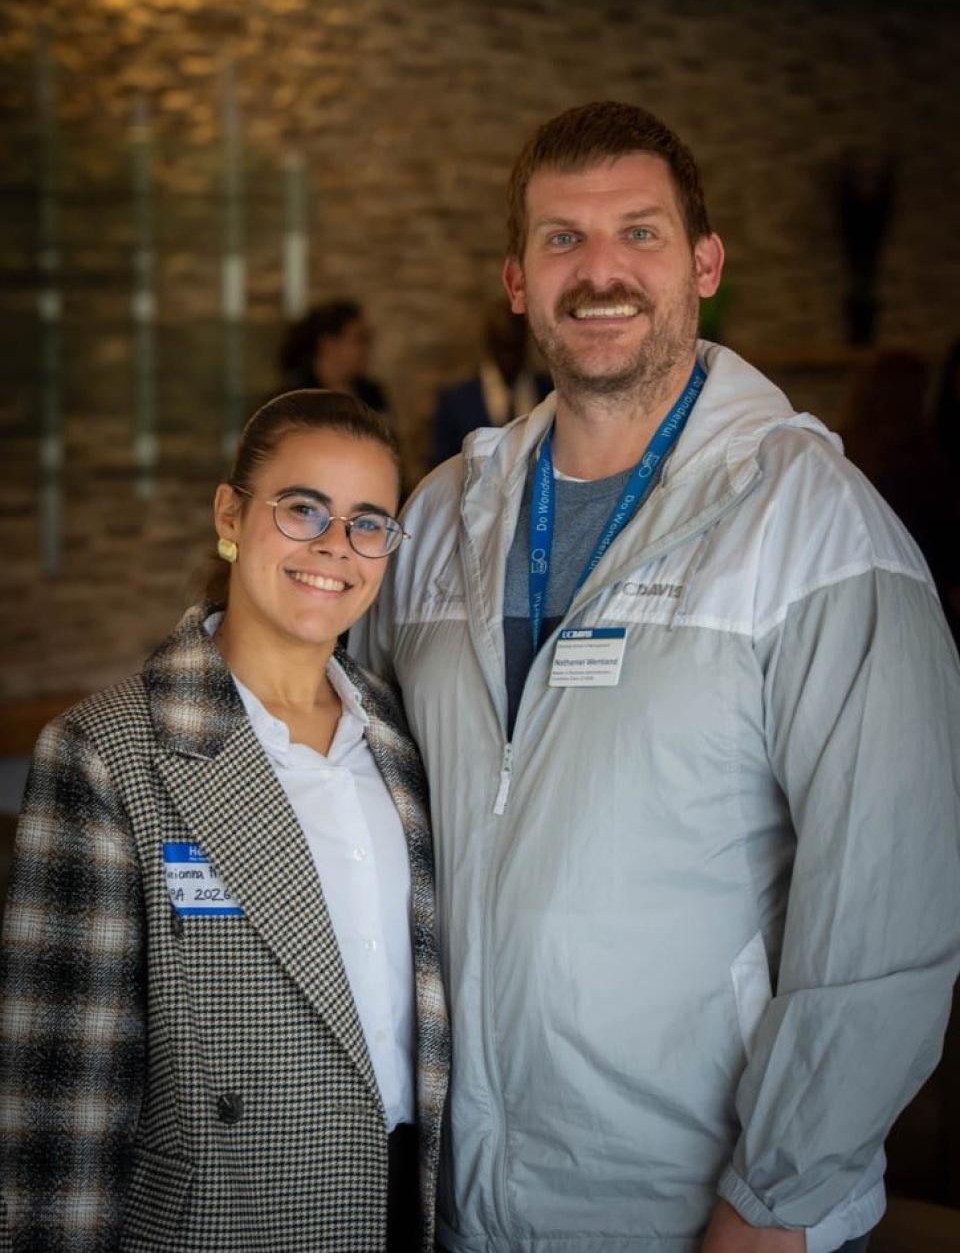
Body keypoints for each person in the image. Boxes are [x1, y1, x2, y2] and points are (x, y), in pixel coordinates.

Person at [354, 102, 960, 1253]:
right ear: (518, 281)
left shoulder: (821, 533)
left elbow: (891, 917)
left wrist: (773, 1204)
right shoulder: (440, 517)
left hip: (697, 1204)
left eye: (639, 233)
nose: (601, 272)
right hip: (454, 1191)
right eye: (562, 240)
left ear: (705, 265)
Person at [0, 390, 449, 1252]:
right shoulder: (105, 754)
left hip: (404, 1206)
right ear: (231, 514)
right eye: (303, 508)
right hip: (227, 1221)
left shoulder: (400, 740)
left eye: (368, 523)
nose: (334, 547)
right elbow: (60, 1108)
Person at [431, 298, 552, 466]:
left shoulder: (551, 393)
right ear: (490, 344)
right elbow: (442, 468)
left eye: (514, 347)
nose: (509, 357)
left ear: (526, 343)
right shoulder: (456, 401)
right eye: (503, 347)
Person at [279, 300, 390, 415]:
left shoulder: (371, 393)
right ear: (329, 344)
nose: (366, 349)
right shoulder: (295, 396)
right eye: (358, 339)